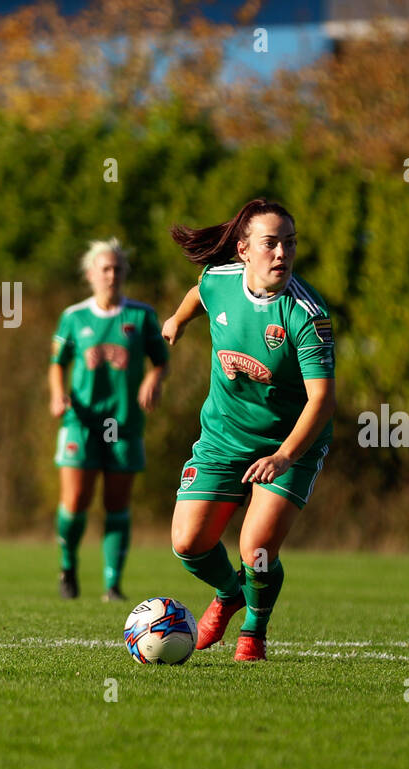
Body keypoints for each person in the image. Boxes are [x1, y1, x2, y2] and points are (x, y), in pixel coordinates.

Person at [162, 199, 336, 662]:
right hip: (223, 437)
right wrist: (177, 321)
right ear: (243, 251)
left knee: (255, 547)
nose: (282, 253)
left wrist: (284, 458)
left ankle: (254, 633)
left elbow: (322, 400)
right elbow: (199, 294)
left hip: (289, 444)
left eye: (290, 243)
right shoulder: (220, 281)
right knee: (188, 543)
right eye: (271, 243)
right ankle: (228, 593)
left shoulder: (306, 314)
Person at [50, 238, 168, 601]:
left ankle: (112, 584)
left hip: (124, 424)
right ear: (90, 274)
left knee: (117, 504)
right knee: (75, 501)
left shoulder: (141, 315)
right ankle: (67, 567)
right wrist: (58, 394)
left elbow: (160, 358)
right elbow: (58, 363)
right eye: (105, 268)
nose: (112, 274)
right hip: (81, 423)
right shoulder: (74, 316)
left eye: (118, 268)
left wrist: (153, 378)